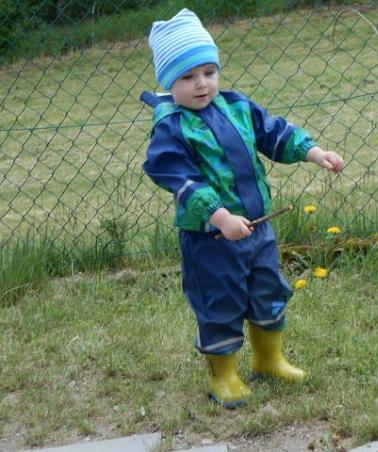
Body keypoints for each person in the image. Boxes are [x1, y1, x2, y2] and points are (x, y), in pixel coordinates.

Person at [141, 8, 344, 408]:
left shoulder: (235, 106)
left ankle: (269, 359)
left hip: (258, 227)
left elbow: (274, 132)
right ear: (168, 81)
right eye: (187, 76)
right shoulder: (171, 127)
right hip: (211, 238)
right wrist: (219, 217)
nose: (201, 84)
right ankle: (225, 375)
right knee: (220, 300)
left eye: (208, 72)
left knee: (267, 289)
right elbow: (180, 180)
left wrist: (313, 152)